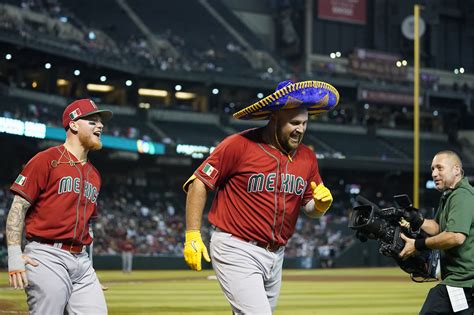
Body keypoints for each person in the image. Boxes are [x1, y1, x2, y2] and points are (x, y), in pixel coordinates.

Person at [182, 80, 339, 314]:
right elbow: (199, 182)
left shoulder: (307, 157)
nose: (301, 129)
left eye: (305, 123)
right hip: (236, 247)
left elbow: (309, 208)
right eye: (294, 123)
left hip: (277, 254)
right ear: (274, 118)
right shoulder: (238, 145)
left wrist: (320, 206)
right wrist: (192, 234)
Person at [6, 99, 112, 314]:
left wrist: (87, 268)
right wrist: (14, 254)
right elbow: (18, 207)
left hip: (81, 261)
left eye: (100, 122)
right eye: (92, 121)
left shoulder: (95, 175)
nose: (100, 126)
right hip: (46, 255)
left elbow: (88, 226)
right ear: (73, 124)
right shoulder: (46, 160)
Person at [400, 150, 474, 314]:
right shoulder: (450, 195)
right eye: (433, 169)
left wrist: (418, 245)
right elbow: (439, 228)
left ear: (456, 169)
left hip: (463, 281)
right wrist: (417, 220)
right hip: (460, 282)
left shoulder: (462, 195)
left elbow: (455, 236)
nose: (434, 173)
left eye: (440, 168)